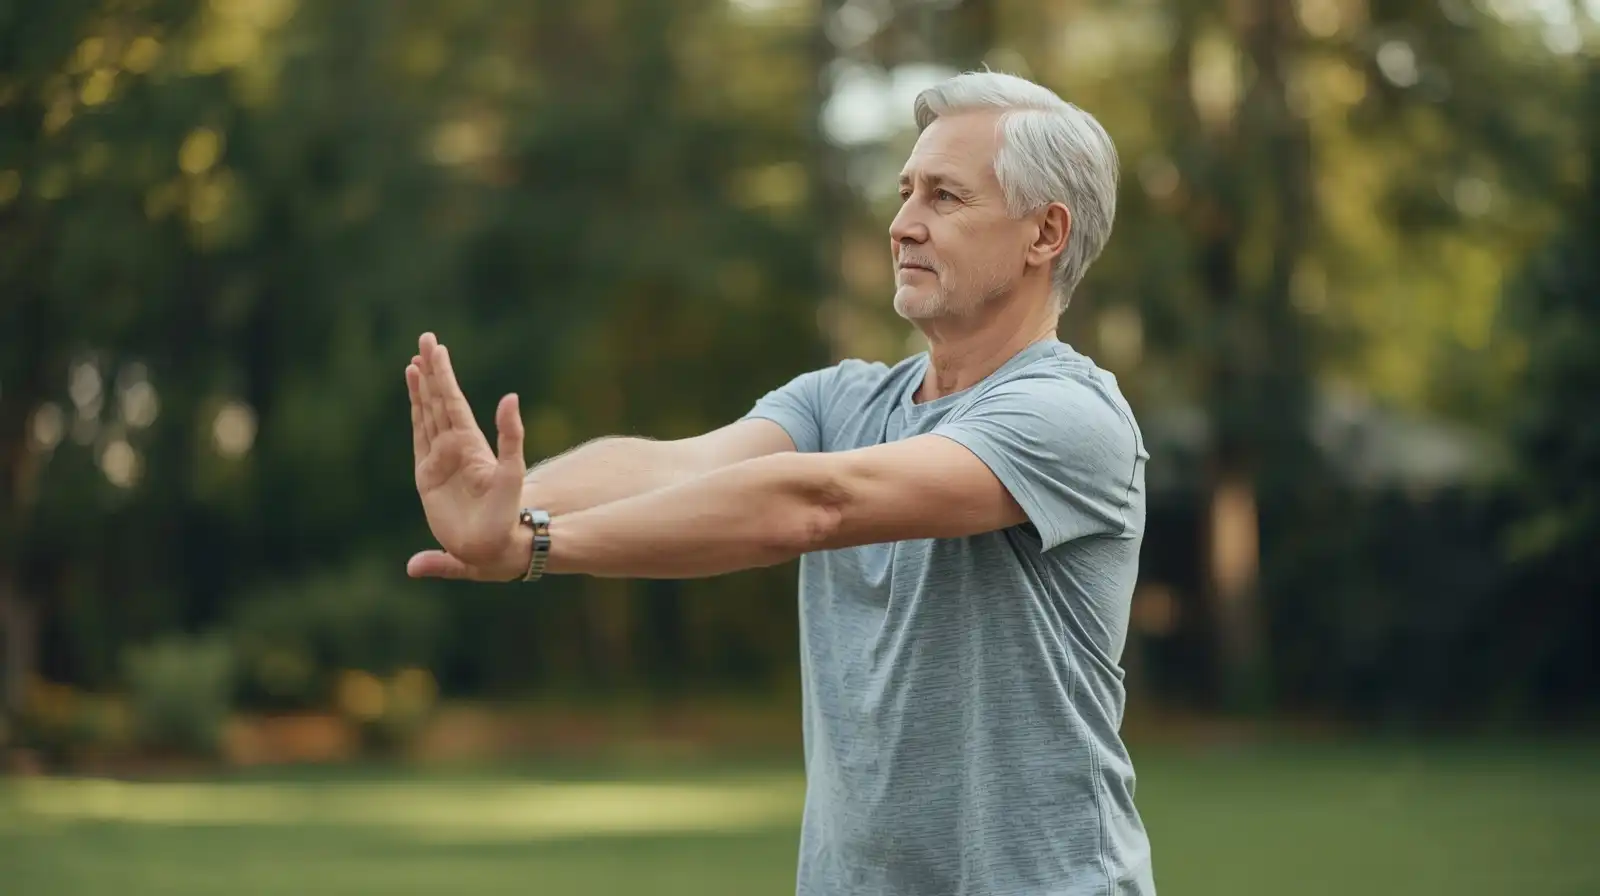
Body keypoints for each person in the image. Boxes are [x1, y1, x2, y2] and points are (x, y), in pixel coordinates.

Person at [403, 70, 1154, 895]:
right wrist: (510, 501)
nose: (902, 225)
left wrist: (534, 546)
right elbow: (677, 465)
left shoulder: (1069, 418)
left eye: (945, 197)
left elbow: (816, 503)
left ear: (1044, 233)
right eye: (904, 192)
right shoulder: (841, 399)